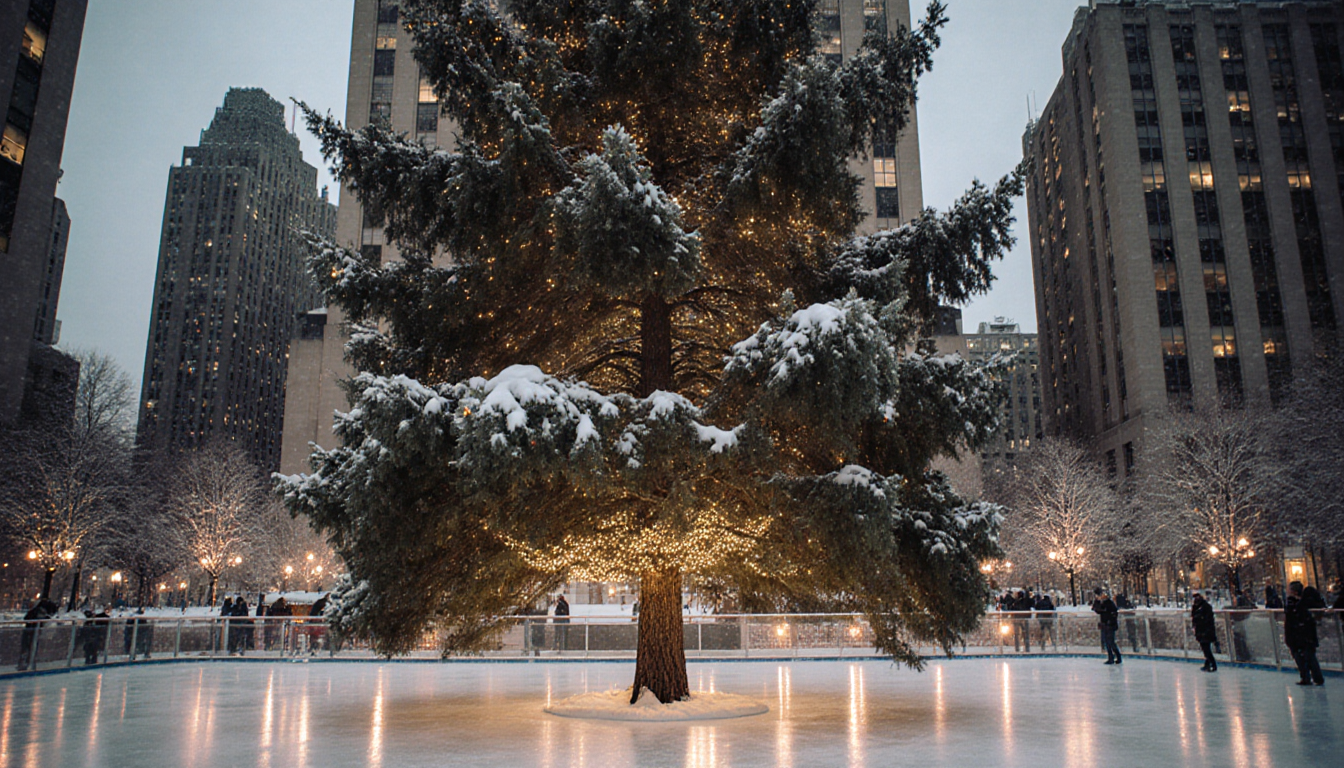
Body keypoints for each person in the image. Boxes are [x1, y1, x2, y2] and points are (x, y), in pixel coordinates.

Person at [1284, 581, 1324, 686]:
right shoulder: (1292, 603)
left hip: (1301, 634)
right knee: (1303, 656)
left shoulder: (1301, 604)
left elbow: (1293, 619)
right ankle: (1308, 677)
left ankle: (1314, 677)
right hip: (1299, 634)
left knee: (1308, 656)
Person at [16, 599, 57, 671]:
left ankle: (26, 663)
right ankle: (27, 663)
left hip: (30, 631)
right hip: (32, 632)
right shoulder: (40, 613)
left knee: (27, 648)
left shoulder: (35, 611)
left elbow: (27, 618)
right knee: (30, 648)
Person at [1092, 588, 1121, 665]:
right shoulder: (1103, 603)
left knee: (1110, 642)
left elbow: (1106, 611)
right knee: (1108, 642)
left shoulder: (1109, 603)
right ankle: (1112, 657)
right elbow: (1096, 609)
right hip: (1106, 624)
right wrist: (1097, 601)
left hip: (1109, 625)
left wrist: (1110, 621)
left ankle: (1116, 657)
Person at [1191, 592, 1218, 672]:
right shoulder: (1196, 607)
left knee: (1206, 649)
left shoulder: (1205, 607)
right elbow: (1194, 618)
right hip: (1200, 630)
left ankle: (1212, 664)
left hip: (1205, 630)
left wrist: (1207, 629)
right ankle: (1208, 664)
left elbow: (1208, 620)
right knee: (1205, 648)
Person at [1230, 589, 1254, 662]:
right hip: (1240, 622)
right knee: (1241, 639)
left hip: (1239, 623)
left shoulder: (1240, 602)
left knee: (1239, 638)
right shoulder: (1244, 601)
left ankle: (1242, 656)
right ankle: (1244, 655)